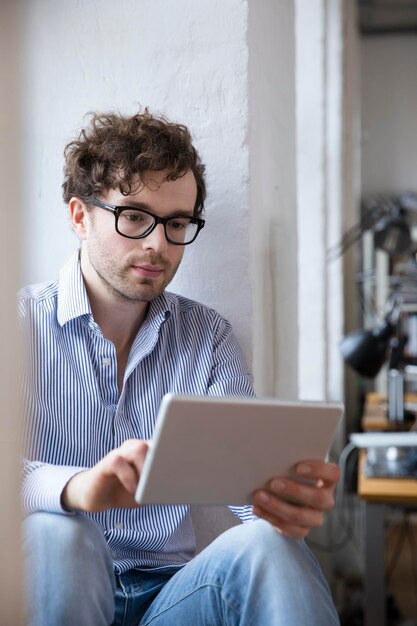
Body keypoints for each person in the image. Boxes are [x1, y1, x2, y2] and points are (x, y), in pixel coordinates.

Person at [20, 110, 341, 626]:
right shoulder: (17, 324)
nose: (158, 245)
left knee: (268, 545)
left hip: (172, 597)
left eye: (176, 224)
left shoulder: (206, 335)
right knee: (57, 532)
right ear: (80, 216)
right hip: (57, 581)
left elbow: (242, 482)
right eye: (133, 217)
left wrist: (280, 504)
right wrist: (77, 487)